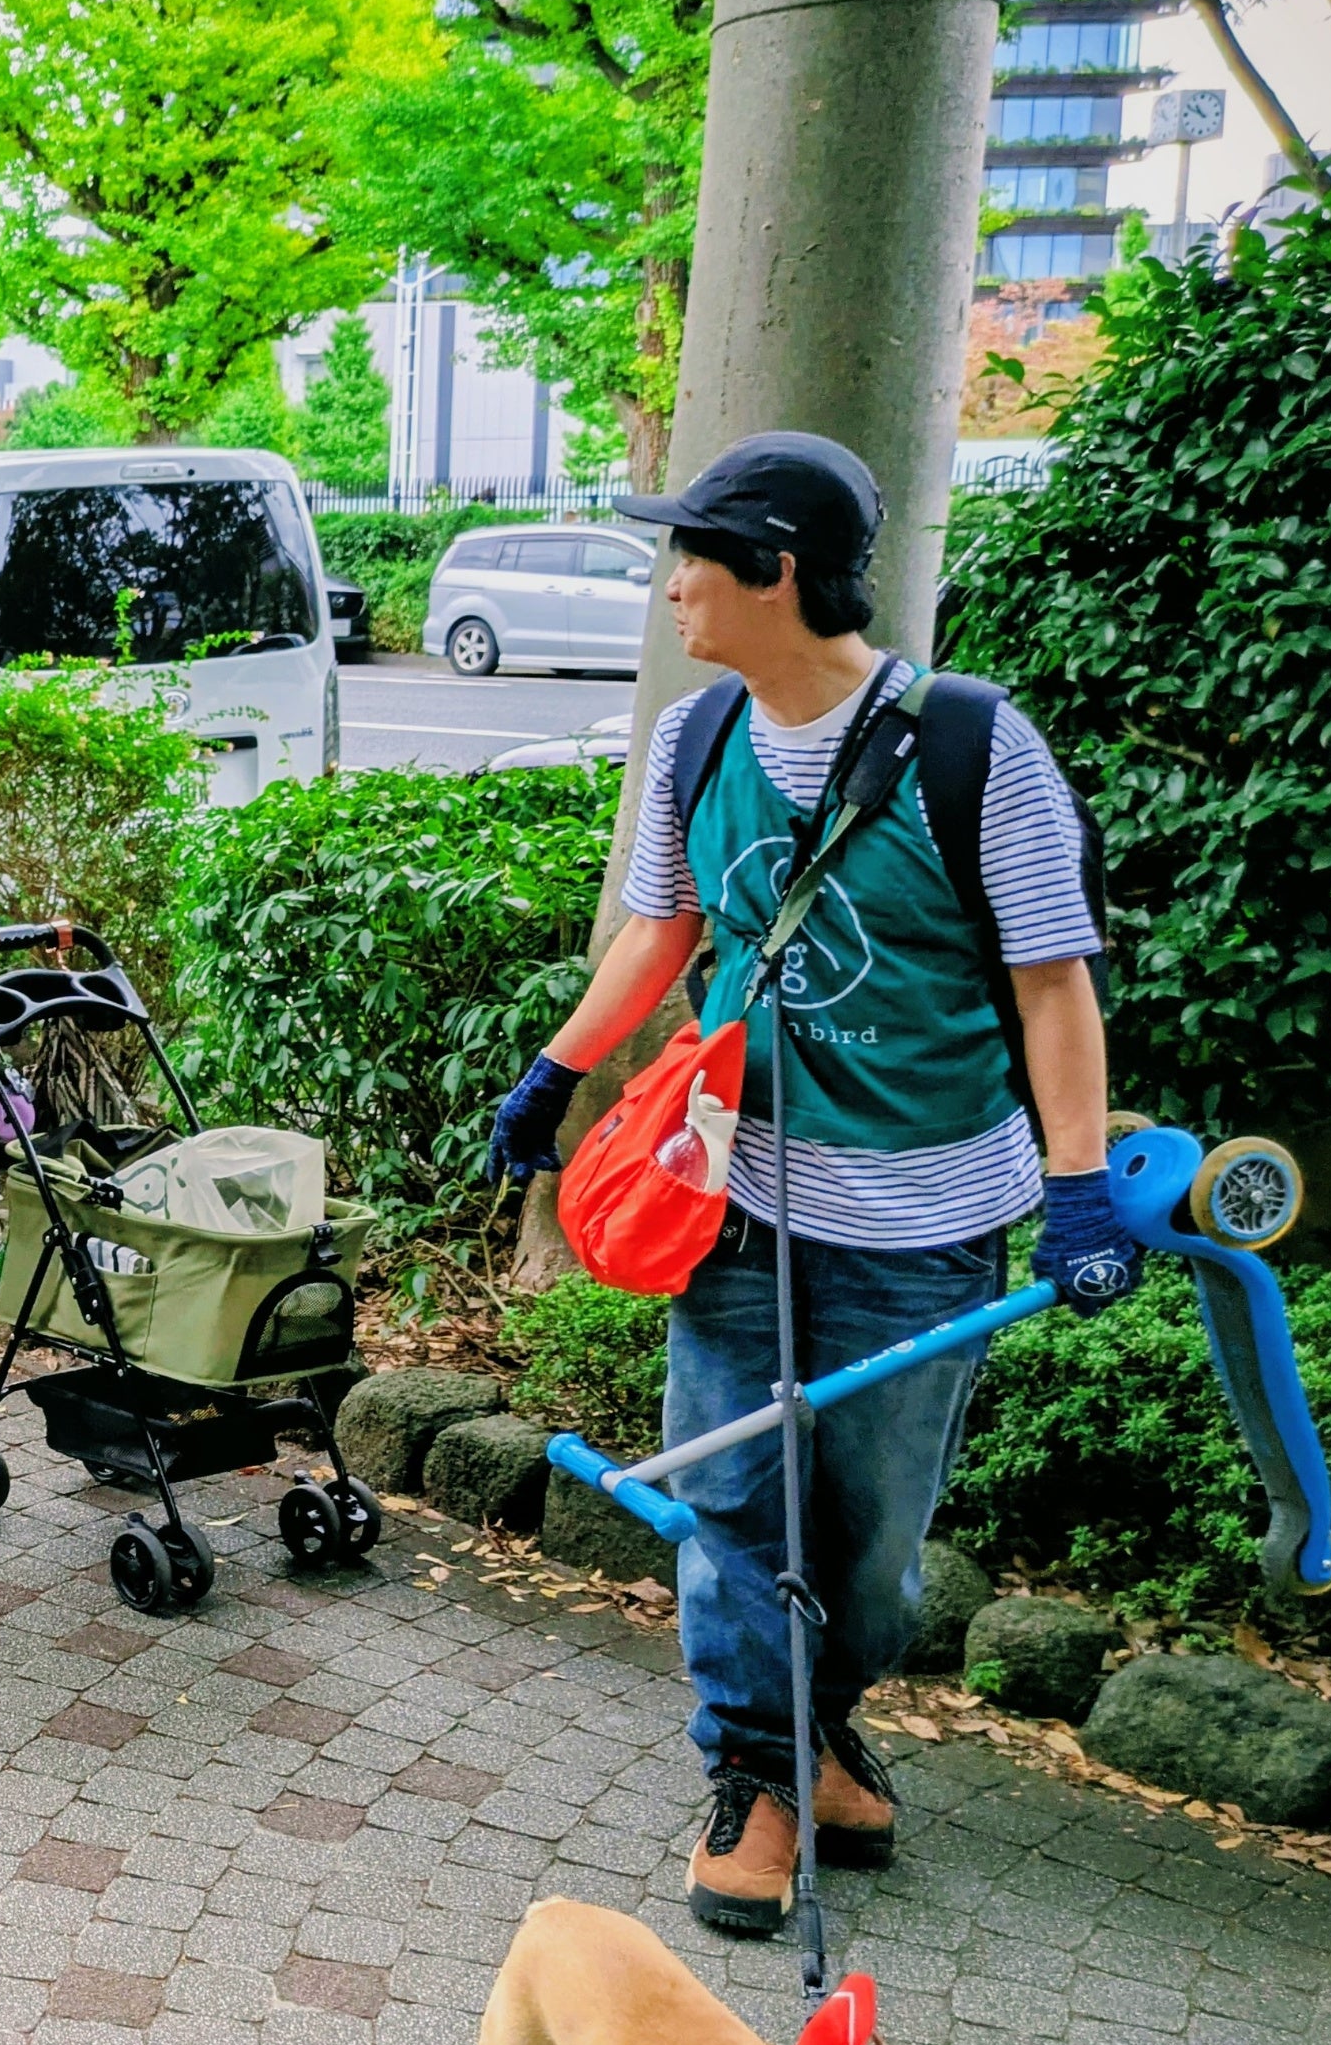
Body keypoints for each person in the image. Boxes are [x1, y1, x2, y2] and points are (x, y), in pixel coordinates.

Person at [480, 431, 1130, 1937]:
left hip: (923, 1229)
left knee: (872, 1551)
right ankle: (757, 1779)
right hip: (735, 1198)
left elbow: (1055, 982)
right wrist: (558, 1072)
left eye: (692, 556)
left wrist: (1080, 1186)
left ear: (774, 571)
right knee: (730, 1505)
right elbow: (662, 931)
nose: (671, 584)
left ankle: (822, 1731)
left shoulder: (975, 748)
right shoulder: (696, 737)